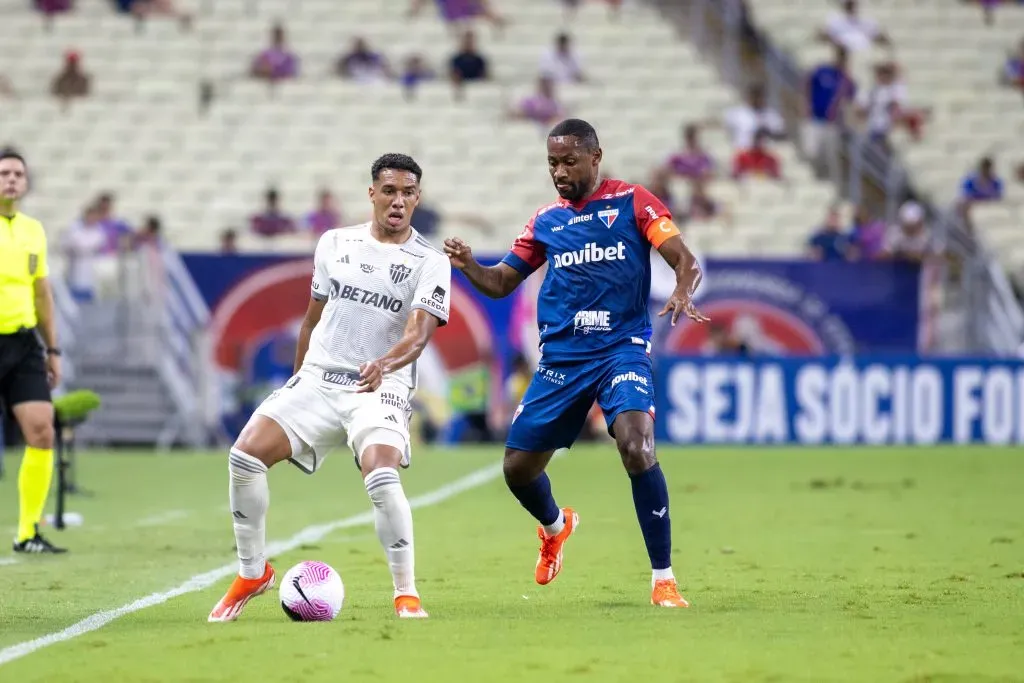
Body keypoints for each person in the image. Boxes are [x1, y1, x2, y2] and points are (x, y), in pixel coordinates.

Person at [443, 119, 707, 608]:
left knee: (636, 445)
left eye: (568, 161)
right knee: (517, 469)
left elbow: (683, 258)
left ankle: (663, 579)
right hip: (562, 360)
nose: (559, 172)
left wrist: (682, 291)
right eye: (551, 163)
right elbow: (503, 282)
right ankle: (556, 528)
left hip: (620, 349)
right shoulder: (546, 220)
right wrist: (470, 266)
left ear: (595, 156)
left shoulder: (633, 201)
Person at [209, 154, 451, 622]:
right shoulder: (334, 243)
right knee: (244, 457)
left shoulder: (430, 261)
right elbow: (311, 318)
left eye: (407, 193)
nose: (398, 201)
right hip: (320, 377)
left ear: (417, 198)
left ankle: (406, 592)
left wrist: (383, 364)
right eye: (389, 191)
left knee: (381, 474)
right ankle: (252, 573)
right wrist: (298, 380)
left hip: (381, 384)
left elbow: (418, 336)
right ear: (372, 194)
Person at [0, 151, 65, 553]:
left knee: (42, 428)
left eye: (17, 173)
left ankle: (27, 532)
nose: (11, 179)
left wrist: (53, 348)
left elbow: (42, 292)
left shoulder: (32, 231)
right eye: (4, 173)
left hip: (23, 343)